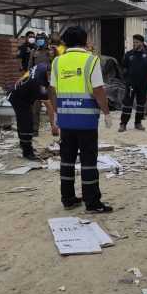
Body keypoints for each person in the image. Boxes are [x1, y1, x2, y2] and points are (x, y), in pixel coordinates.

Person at [49, 25, 112, 213]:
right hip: (86, 121)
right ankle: (92, 202)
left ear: (65, 42)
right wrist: (106, 112)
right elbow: (98, 90)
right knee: (88, 161)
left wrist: (56, 114)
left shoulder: (57, 62)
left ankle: (68, 199)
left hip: (66, 120)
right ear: (85, 41)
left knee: (67, 160)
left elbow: (52, 90)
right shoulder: (91, 61)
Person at [8, 63, 59, 160]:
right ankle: (27, 152)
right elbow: (49, 105)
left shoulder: (42, 66)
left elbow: (51, 91)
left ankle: (24, 146)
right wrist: (54, 125)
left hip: (19, 90)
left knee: (25, 121)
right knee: (26, 124)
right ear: (49, 73)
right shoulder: (38, 83)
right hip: (18, 97)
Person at [118, 34, 147, 132]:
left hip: (143, 84)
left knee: (141, 104)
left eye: (137, 42)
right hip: (131, 85)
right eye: (134, 42)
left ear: (142, 43)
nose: (135, 44)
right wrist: (126, 80)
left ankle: (138, 123)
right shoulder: (129, 54)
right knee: (127, 104)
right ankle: (123, 124)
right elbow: (123, 68)